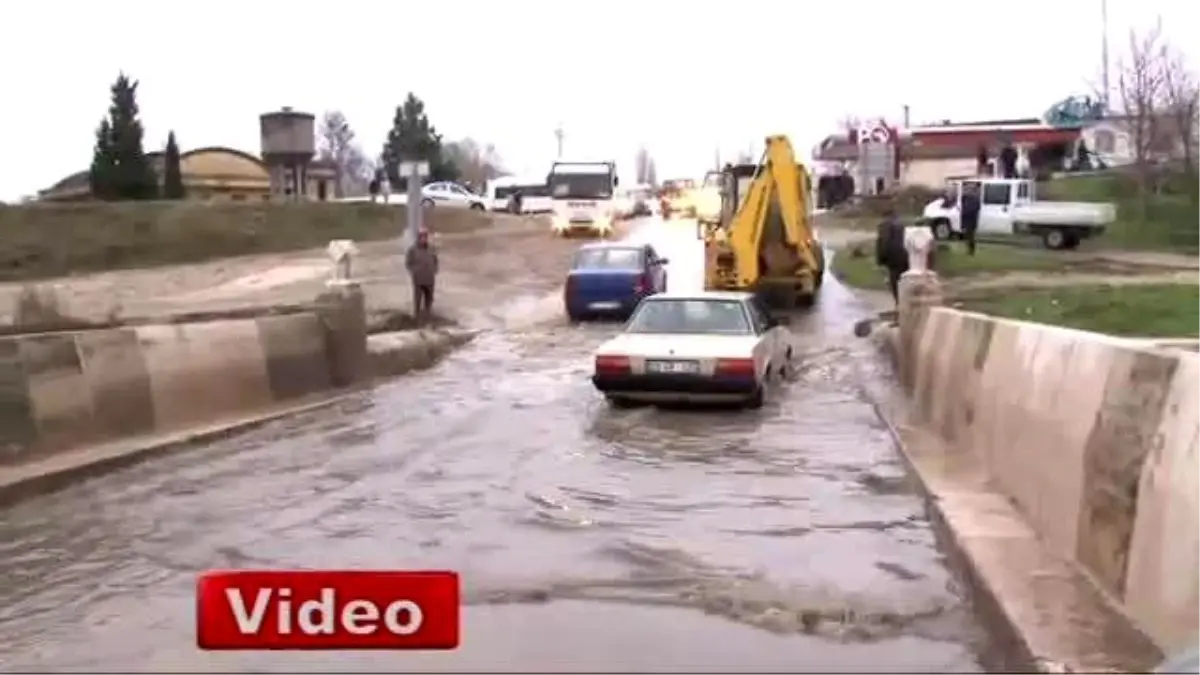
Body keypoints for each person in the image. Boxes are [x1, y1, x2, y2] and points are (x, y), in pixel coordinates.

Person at [874, 209, 908, 306]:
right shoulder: (902, 224)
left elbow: (883, 243)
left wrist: (881, 261)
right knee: (905, 282)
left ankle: (900, 305)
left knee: (895, 283)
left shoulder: (884, 226)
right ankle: (905, 303)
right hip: (906, 256)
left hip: (894, 258)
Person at [405, 229, 439, 324]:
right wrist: (414, 271)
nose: (423, 239)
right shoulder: (412, 250)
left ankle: (428, 318)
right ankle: (417, 319)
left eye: (425, 236)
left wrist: (434, 270)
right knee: (418, 300)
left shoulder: (431, 249)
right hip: (418, 280)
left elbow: (436, 261)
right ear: (418, 238)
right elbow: (408, 263)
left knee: (429, 300)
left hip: (430, 279)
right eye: (421, 237)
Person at [960, 182, 981, 256]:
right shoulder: (965, 198)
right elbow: (963, 208)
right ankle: (969, 249)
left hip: (971, 220)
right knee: (966, 235)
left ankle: (971, 250)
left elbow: (975, 209)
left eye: (968, 190)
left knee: (970, 236)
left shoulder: (975, 199)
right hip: (966, 219)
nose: (967, 191)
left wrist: (966, 211)